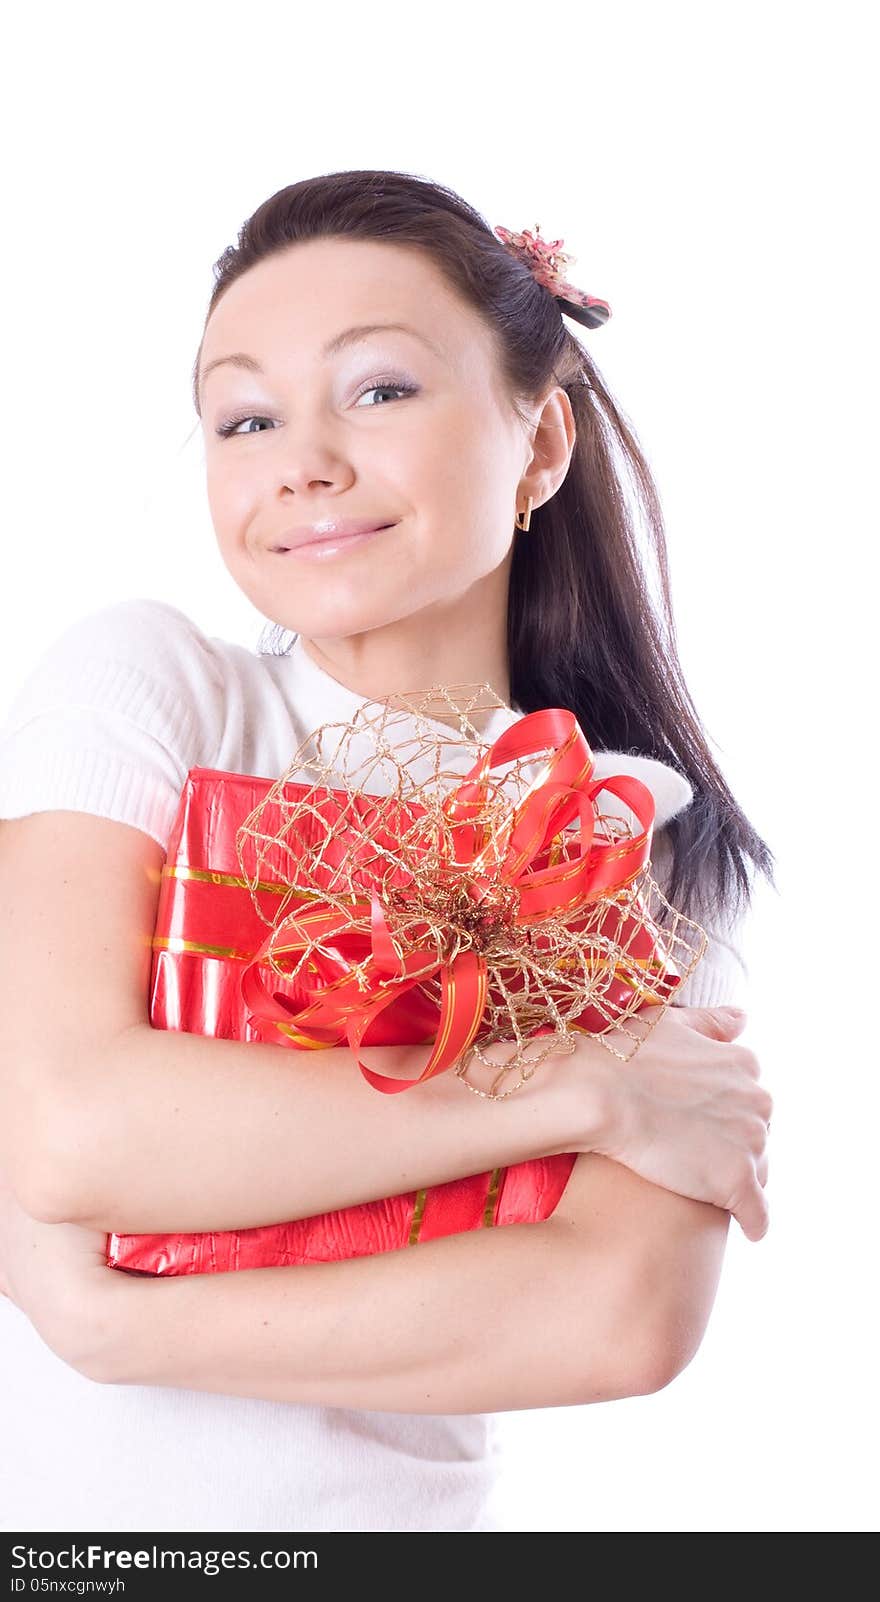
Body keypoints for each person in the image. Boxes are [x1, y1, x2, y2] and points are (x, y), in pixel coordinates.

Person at [0, 168, 774, 1534]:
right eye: (247, 414)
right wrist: (574, 1086)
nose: (303, 459)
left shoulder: (623, 829)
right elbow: (74, 1127)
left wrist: (111, 1327)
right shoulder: (152, 685)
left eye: (380, 389)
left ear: (540, 445)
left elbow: (620, 1312)